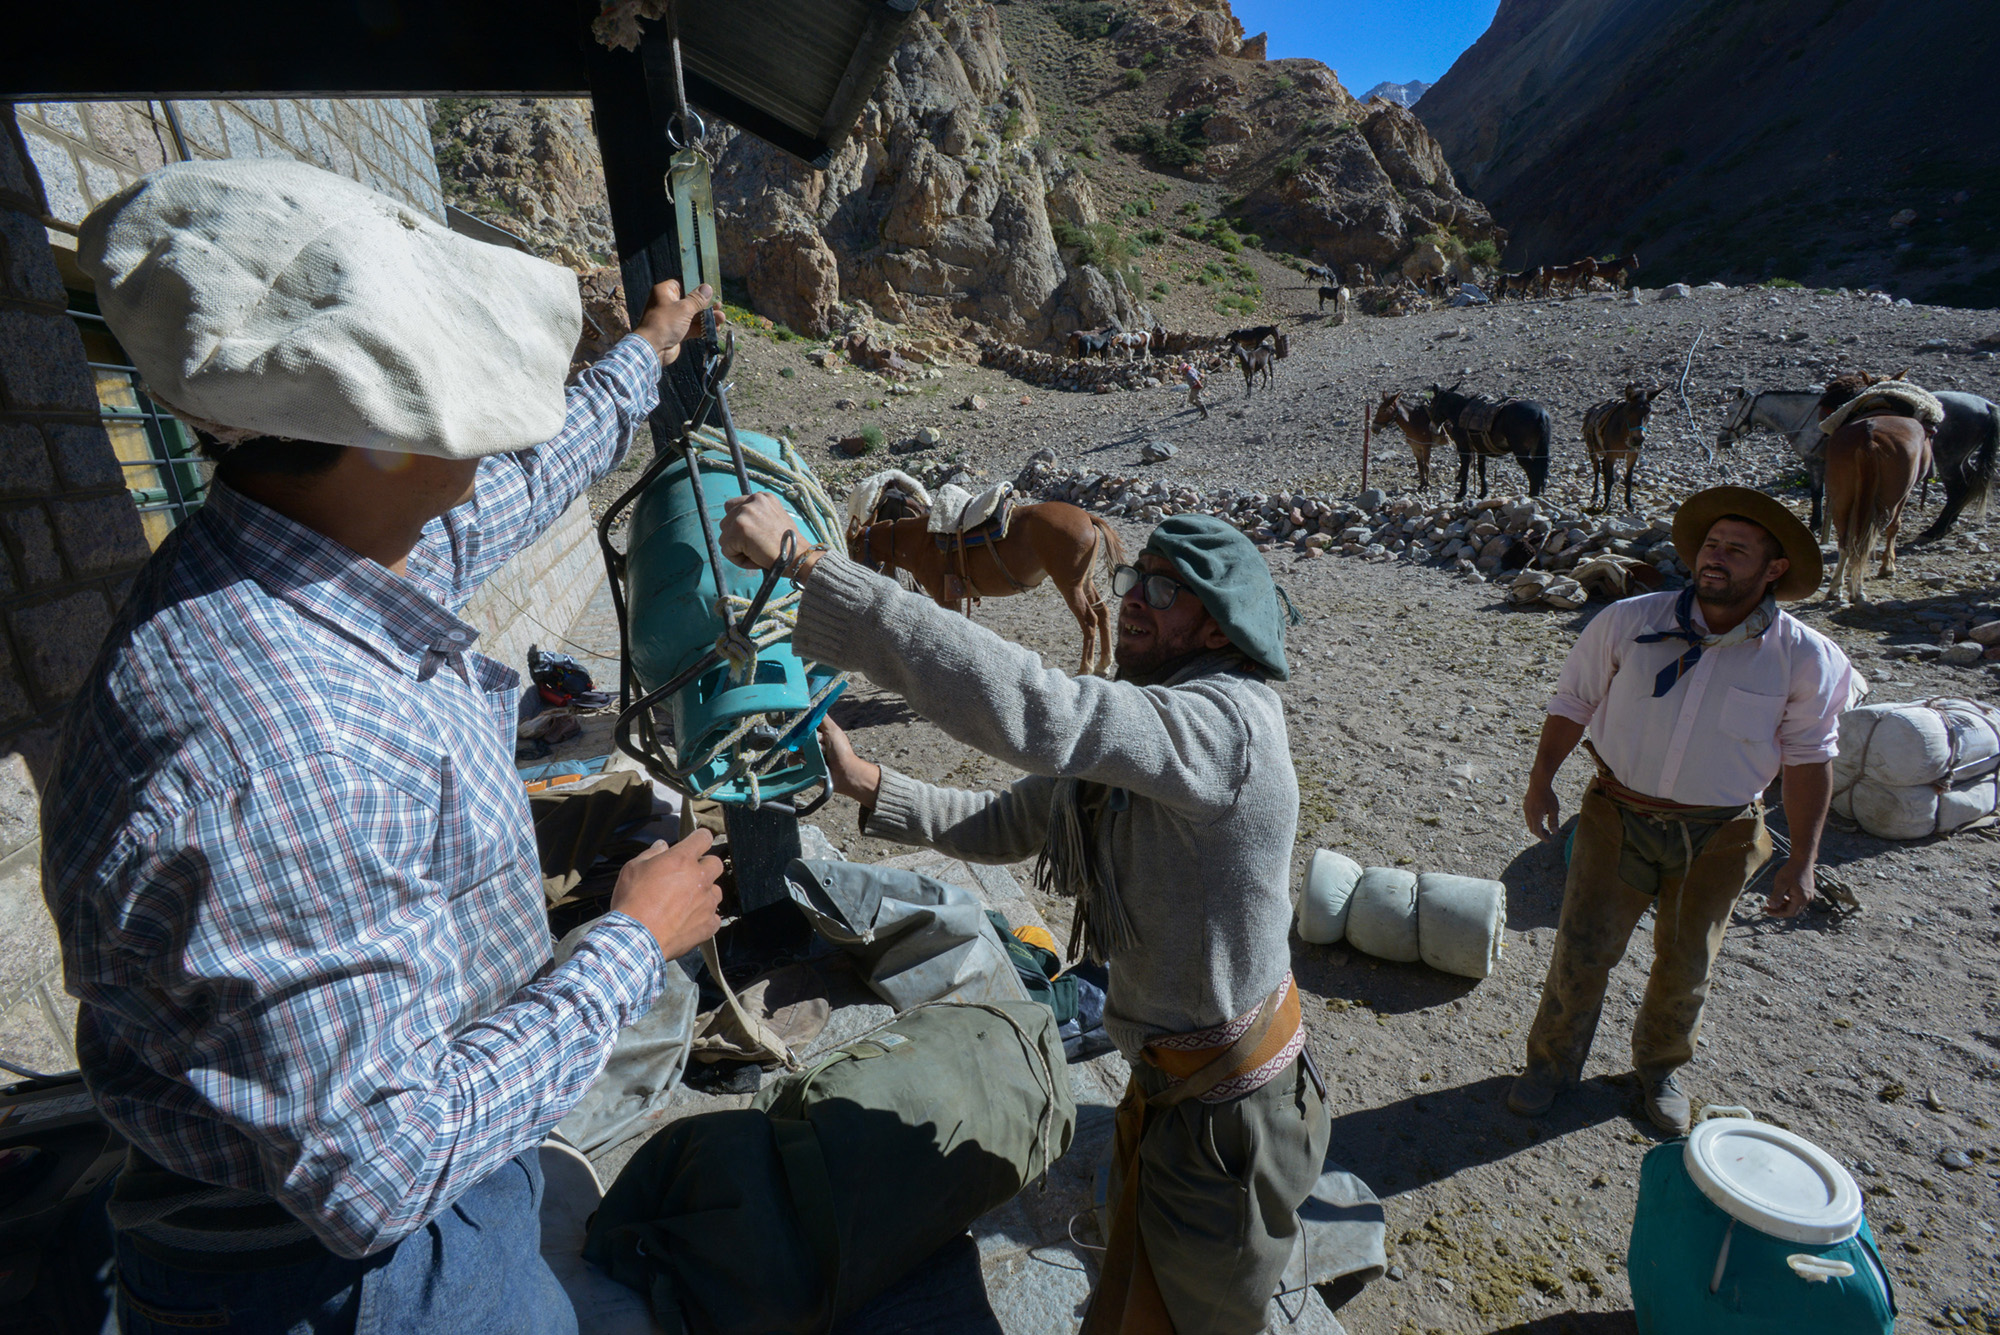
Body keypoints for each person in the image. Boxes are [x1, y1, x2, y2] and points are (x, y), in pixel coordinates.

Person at [43, 158, 725, 1333]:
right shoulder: (283, 759)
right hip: (346, 1280)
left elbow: (528, 478)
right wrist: (630, 940)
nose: (501, 433)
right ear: (382, 441)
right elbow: (379, 1174)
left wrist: (648, 353)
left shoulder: (308, 540)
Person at [719, 498, 1327, 1335]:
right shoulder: (1157, 718)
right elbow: (1015, 821)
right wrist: (871, 787)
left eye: (1163, 588)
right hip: (1168, 1086)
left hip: (1230, 1115)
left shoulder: (1224, 731)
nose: (1135, 598)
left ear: (1220, 629)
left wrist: (810, 566)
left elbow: (1039, 708)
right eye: (1134, 576)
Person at [1509, 486, 1859, 1133]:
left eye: (1737, 549)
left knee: (1687, 962)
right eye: (1710, 544)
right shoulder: (1627, 621)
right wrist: (1541, 780)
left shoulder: (1807, 658)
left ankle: (1658, 1069)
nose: (1715, 558)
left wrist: (1804, 860)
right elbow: (1572, 701)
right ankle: (1550, 1064)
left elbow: (1811, 759)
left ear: (1774, 569)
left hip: (1721, 833)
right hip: (1617, 814)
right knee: (1582, 949)